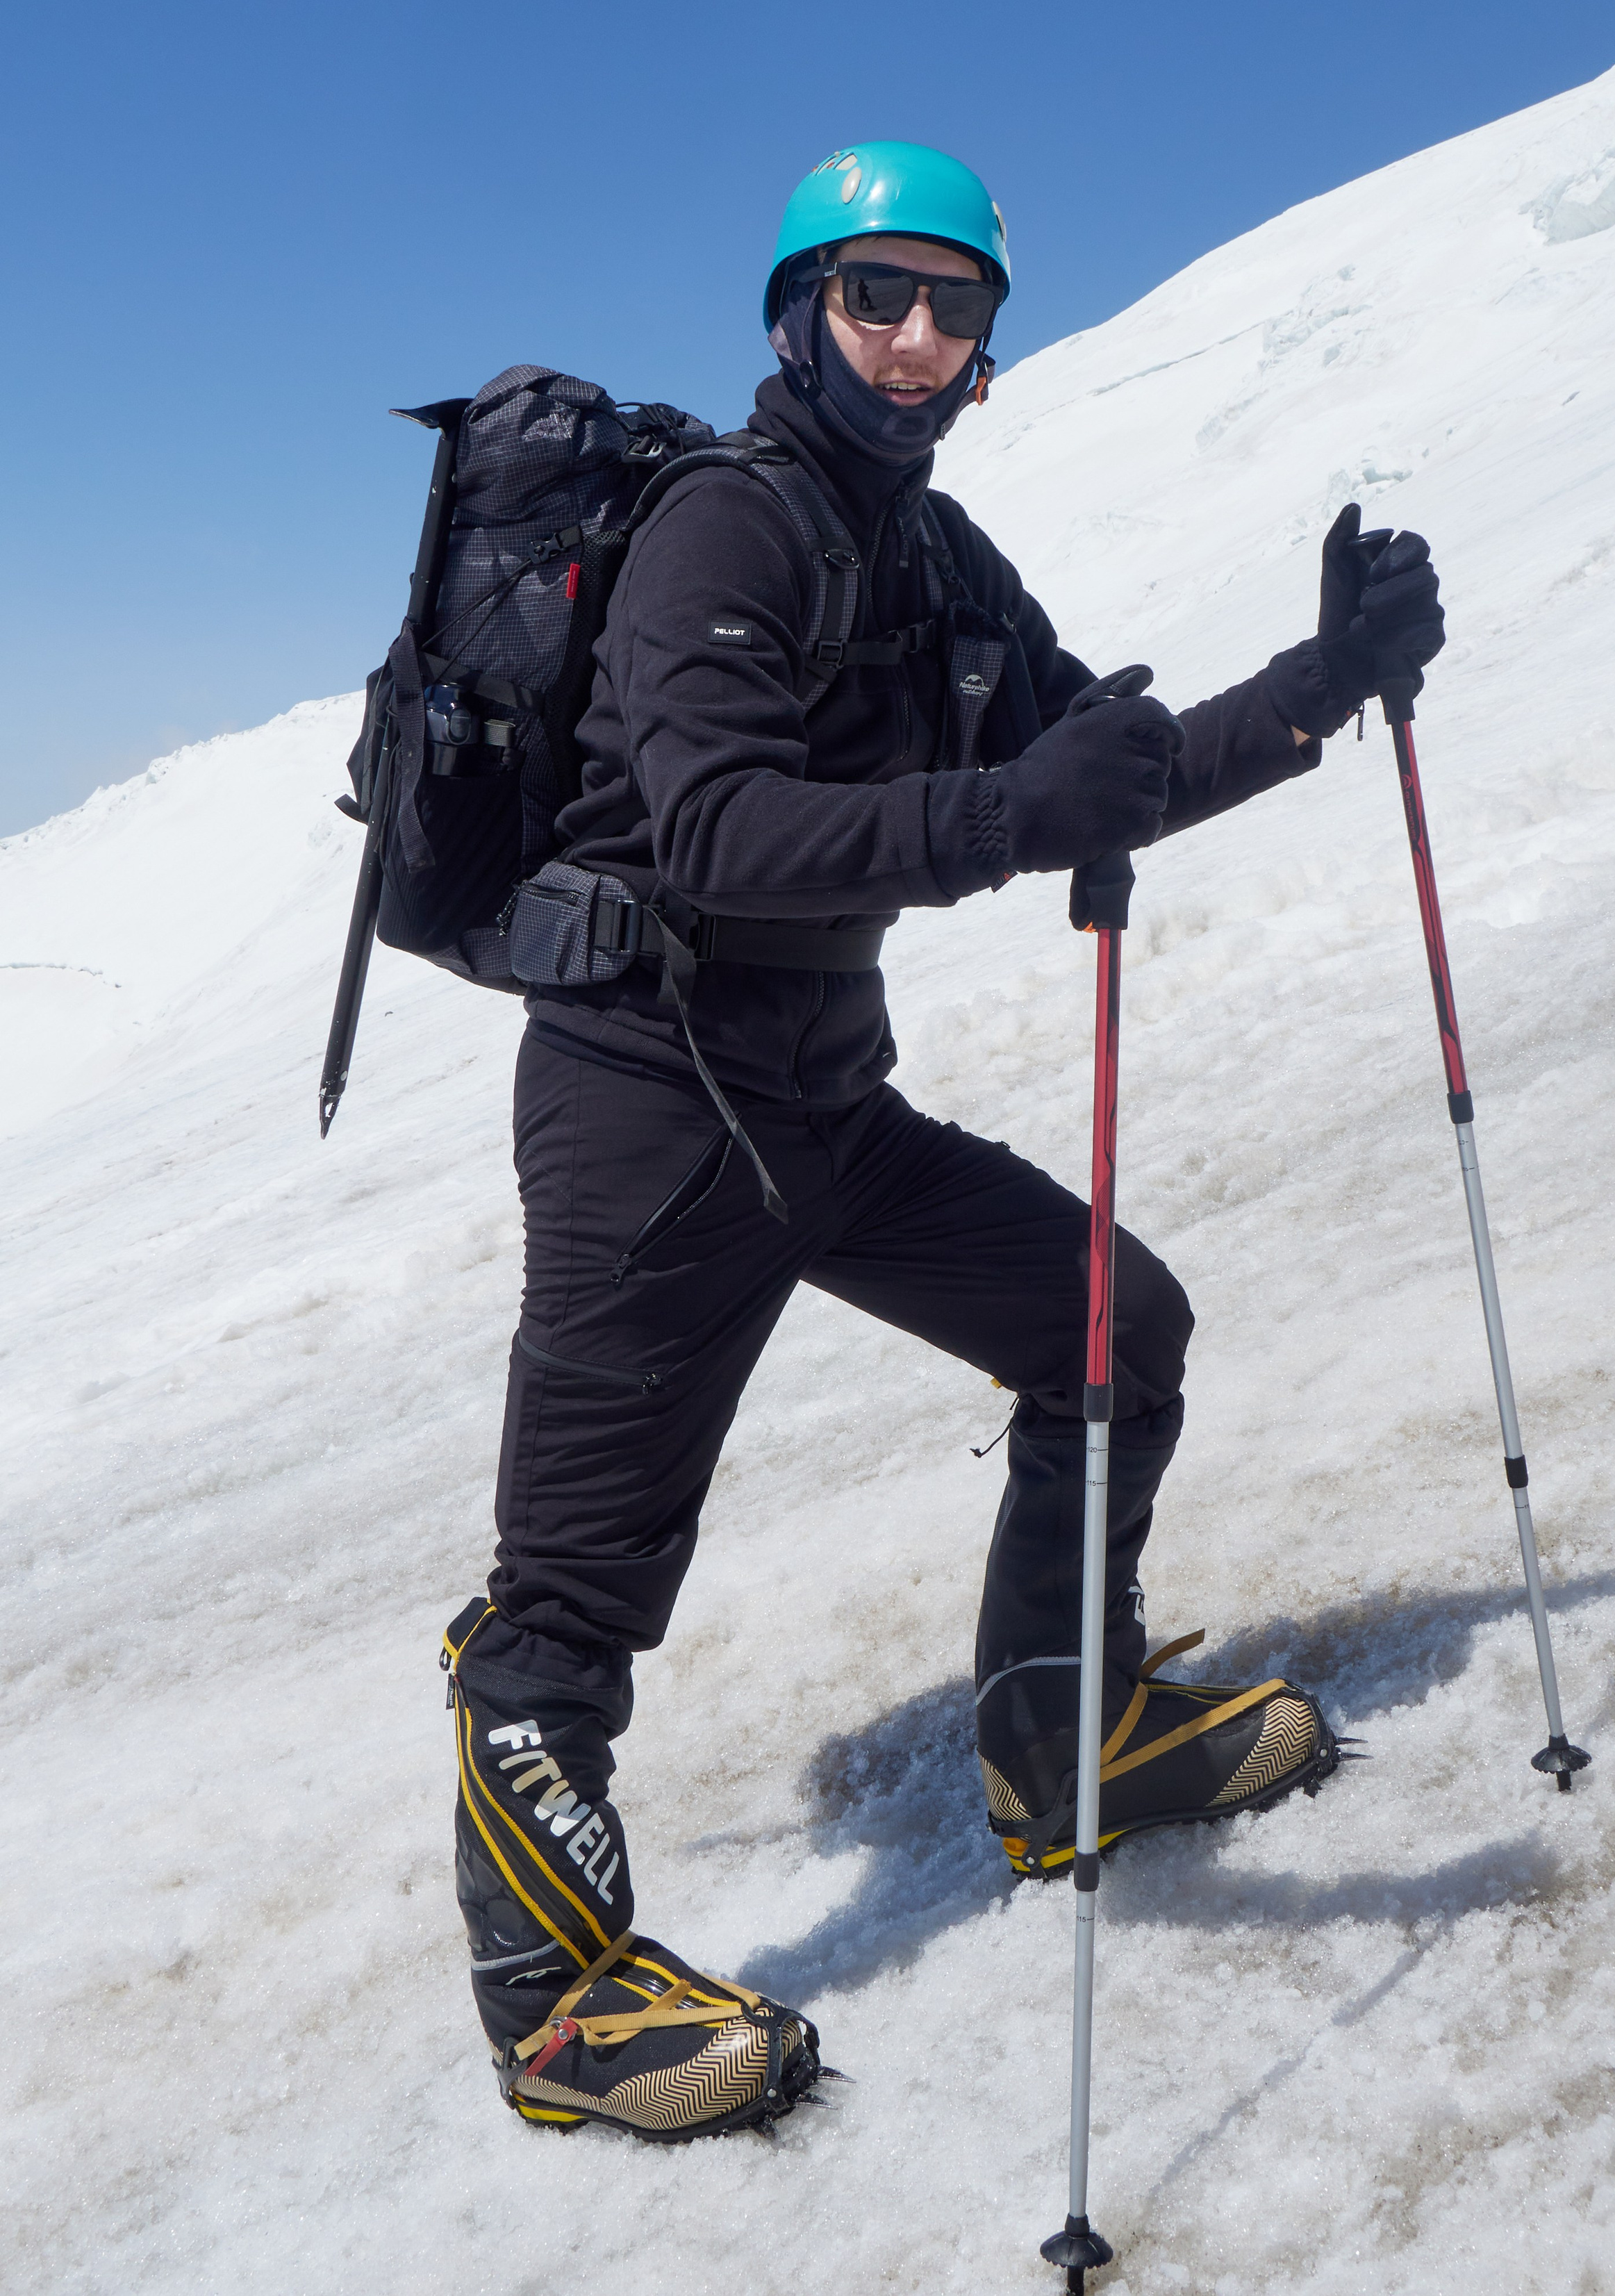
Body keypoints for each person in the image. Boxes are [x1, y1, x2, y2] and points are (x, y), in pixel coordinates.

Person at [441, 141, 1445, 2141]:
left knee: (1111, 1327)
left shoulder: (938, 563)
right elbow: (720, 830)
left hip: (826, 1097)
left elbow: (1105, 767)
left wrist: (1323, 686)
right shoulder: (723, 532)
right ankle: (553, 2010)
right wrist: (1002, 819)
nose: (913, 339)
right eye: (873, 296)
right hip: (654, 1109)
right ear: (797, 314)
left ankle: (1061, 1740)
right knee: (575, 1590)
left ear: (990, 346)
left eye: (952, 306)